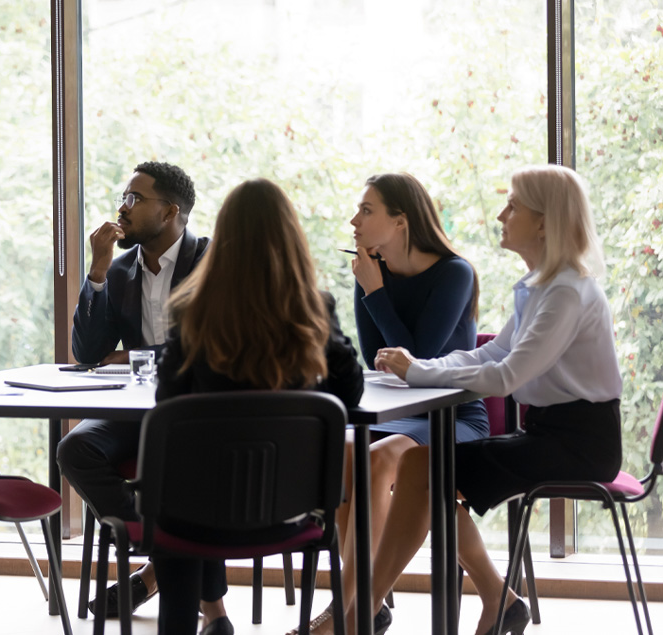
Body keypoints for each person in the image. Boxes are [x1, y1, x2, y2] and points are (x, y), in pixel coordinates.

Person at [350, 164, 621, 635]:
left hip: (580, 446)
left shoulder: (568, 292)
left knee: (423, 469)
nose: (501, 214)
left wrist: (417, 370)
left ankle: (357, 616)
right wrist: (421, 369)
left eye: (513, 205)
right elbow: (491, 352)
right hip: (547, 433)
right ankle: (490, 599)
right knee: (421, 466)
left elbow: (508, 374)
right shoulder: (543, 286)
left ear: (543, 221)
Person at [151, 178, 365, 635]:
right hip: (292, 509)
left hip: (196, 512)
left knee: (176, 503)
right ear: (291, 237)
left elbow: (167, 405)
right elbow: (348, 393)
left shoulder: (190, 313)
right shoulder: (314, 310)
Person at [301, 173, 489, 634]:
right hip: (401, 414)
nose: (354, 220)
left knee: (380, 456)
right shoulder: (371, 273)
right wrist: (371, 289)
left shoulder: (454, 273)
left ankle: (346, 612)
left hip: (453, 416)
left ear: (400, 221)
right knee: (347, 450)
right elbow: (375, 359)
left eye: (366, 210)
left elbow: (416, 359)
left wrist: (376, 294)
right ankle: (370, 600)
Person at [58, 161, 209, 617]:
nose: (122, 208)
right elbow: (88, 351)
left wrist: (142, 355)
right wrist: (98, 271)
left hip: (195, 409)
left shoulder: (211, 261)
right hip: (134, 410)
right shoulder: (122, 269)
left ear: (170, 212)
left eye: (134, 199)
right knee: (74, 449)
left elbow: (211, 343)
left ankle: (155, 572)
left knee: (186, 461)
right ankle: (164, 550)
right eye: (123, 197)